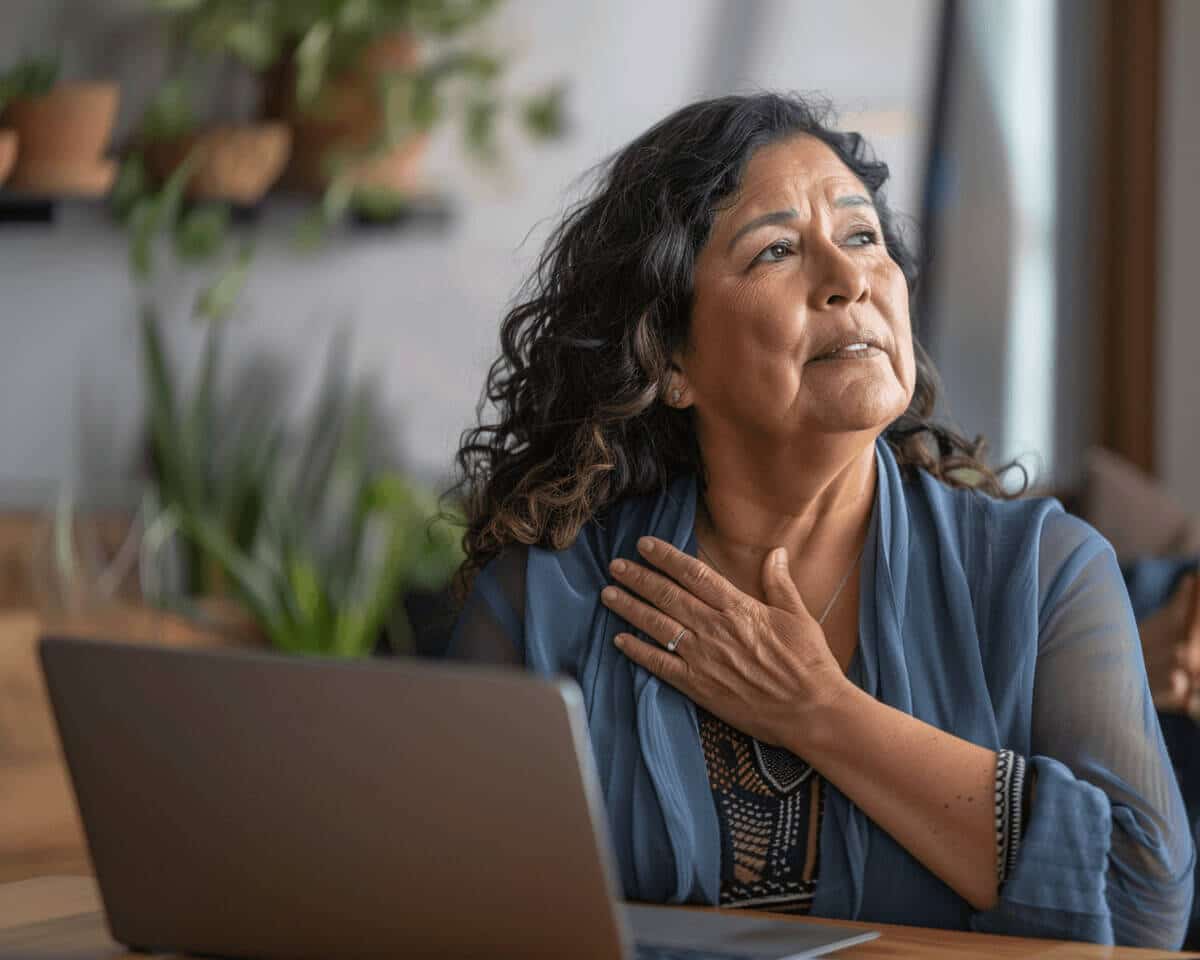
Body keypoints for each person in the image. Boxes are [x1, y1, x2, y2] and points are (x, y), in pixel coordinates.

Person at [448, 92, 1193, 948]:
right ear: (670, 357)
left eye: (863, 236)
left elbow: (1142, 907)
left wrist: (818, 710)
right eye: (776, 250)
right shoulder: (548, 597)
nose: (849, 281)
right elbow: (446, 904)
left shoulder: (1047, 575)